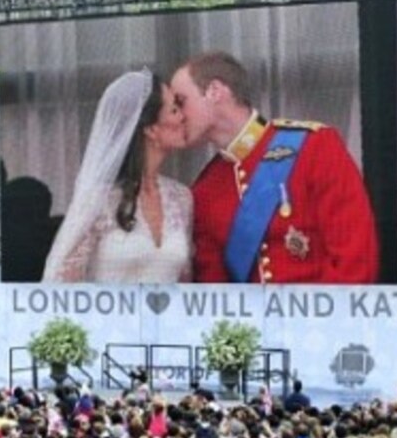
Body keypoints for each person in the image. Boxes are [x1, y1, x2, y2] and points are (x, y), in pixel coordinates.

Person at [170, 51, 379, 284]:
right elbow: (217, 292)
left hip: (324, 316)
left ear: (215, 91)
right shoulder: (205, 189)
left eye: (180, 102)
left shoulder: (314, 147)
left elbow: (355, 260)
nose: (176, 116)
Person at [43, 69, 192, 282]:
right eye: (175, 110)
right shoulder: (100, 199)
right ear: (151, 129)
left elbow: (187, 287)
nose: (184, 117)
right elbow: (61, 285)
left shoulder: (182, 198)